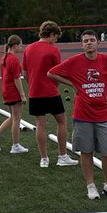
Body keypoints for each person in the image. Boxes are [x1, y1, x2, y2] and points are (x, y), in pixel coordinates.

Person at [48, 30, 107, 200]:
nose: (89, 43)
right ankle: (91, 186)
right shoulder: (74, 62)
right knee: (86, 152)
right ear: (82, 45)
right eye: (86, 41)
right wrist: (73, 83)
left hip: (104, 114)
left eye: (92, 40)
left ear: (98, 43)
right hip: (83, 115)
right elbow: (51, 73)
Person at [22, 20, 78, 169]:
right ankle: (62, 156)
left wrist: (33, 84)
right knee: (62, 122)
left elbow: (25, 73)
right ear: (51, 34)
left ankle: (44, 159)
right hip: (51, 92)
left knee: (40, 125)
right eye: (56, 37)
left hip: (34, 93)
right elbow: (58, 72)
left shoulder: (28, 49)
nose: (56, 40)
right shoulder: (53, 50)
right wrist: (55, 85)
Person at [0, 35, 28, 154]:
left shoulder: (4, 57)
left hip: (6, 90)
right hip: (12, 91)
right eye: (20, 45)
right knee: (17, 119)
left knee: (13, 117)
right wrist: (22, 95)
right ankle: (15, 145)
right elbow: (17, 79)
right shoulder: (13, 59)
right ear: (15, 45)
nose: (21, 47)